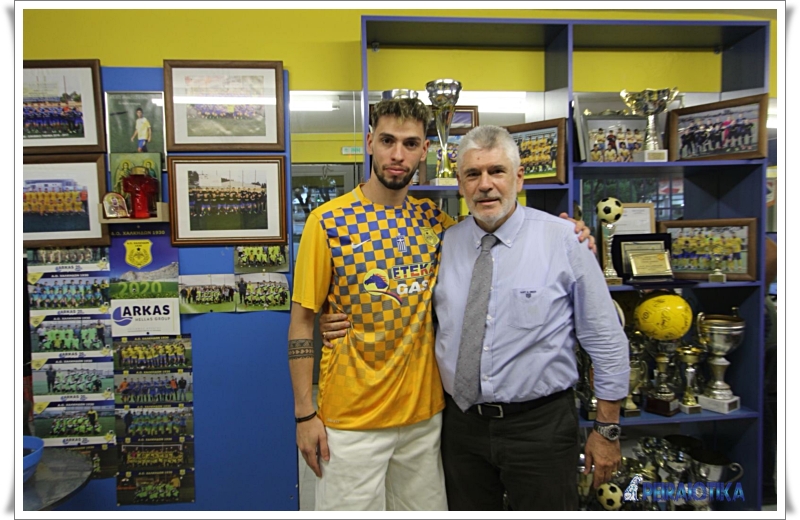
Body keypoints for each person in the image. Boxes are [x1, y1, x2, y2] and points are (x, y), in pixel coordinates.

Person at [289, 99, 594, 511]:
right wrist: (304, 414)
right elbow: (302, 321)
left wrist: (568, 233)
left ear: (426, 151)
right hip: (352, 418)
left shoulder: (438, 225)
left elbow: (498, 231)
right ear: (369, 143)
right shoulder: (327, 222)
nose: (398, 154)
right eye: (388, 141)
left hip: (426, 419)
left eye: (410, 143)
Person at [433, 125, 629, 510]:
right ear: (460, 184)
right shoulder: (446, 244)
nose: (485, 185)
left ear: (519, 177)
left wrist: (607, 430)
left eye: (497, 171)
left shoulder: (564, 241)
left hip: (540, 428)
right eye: (473, 174)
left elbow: (606, 339)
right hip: (461, 427)